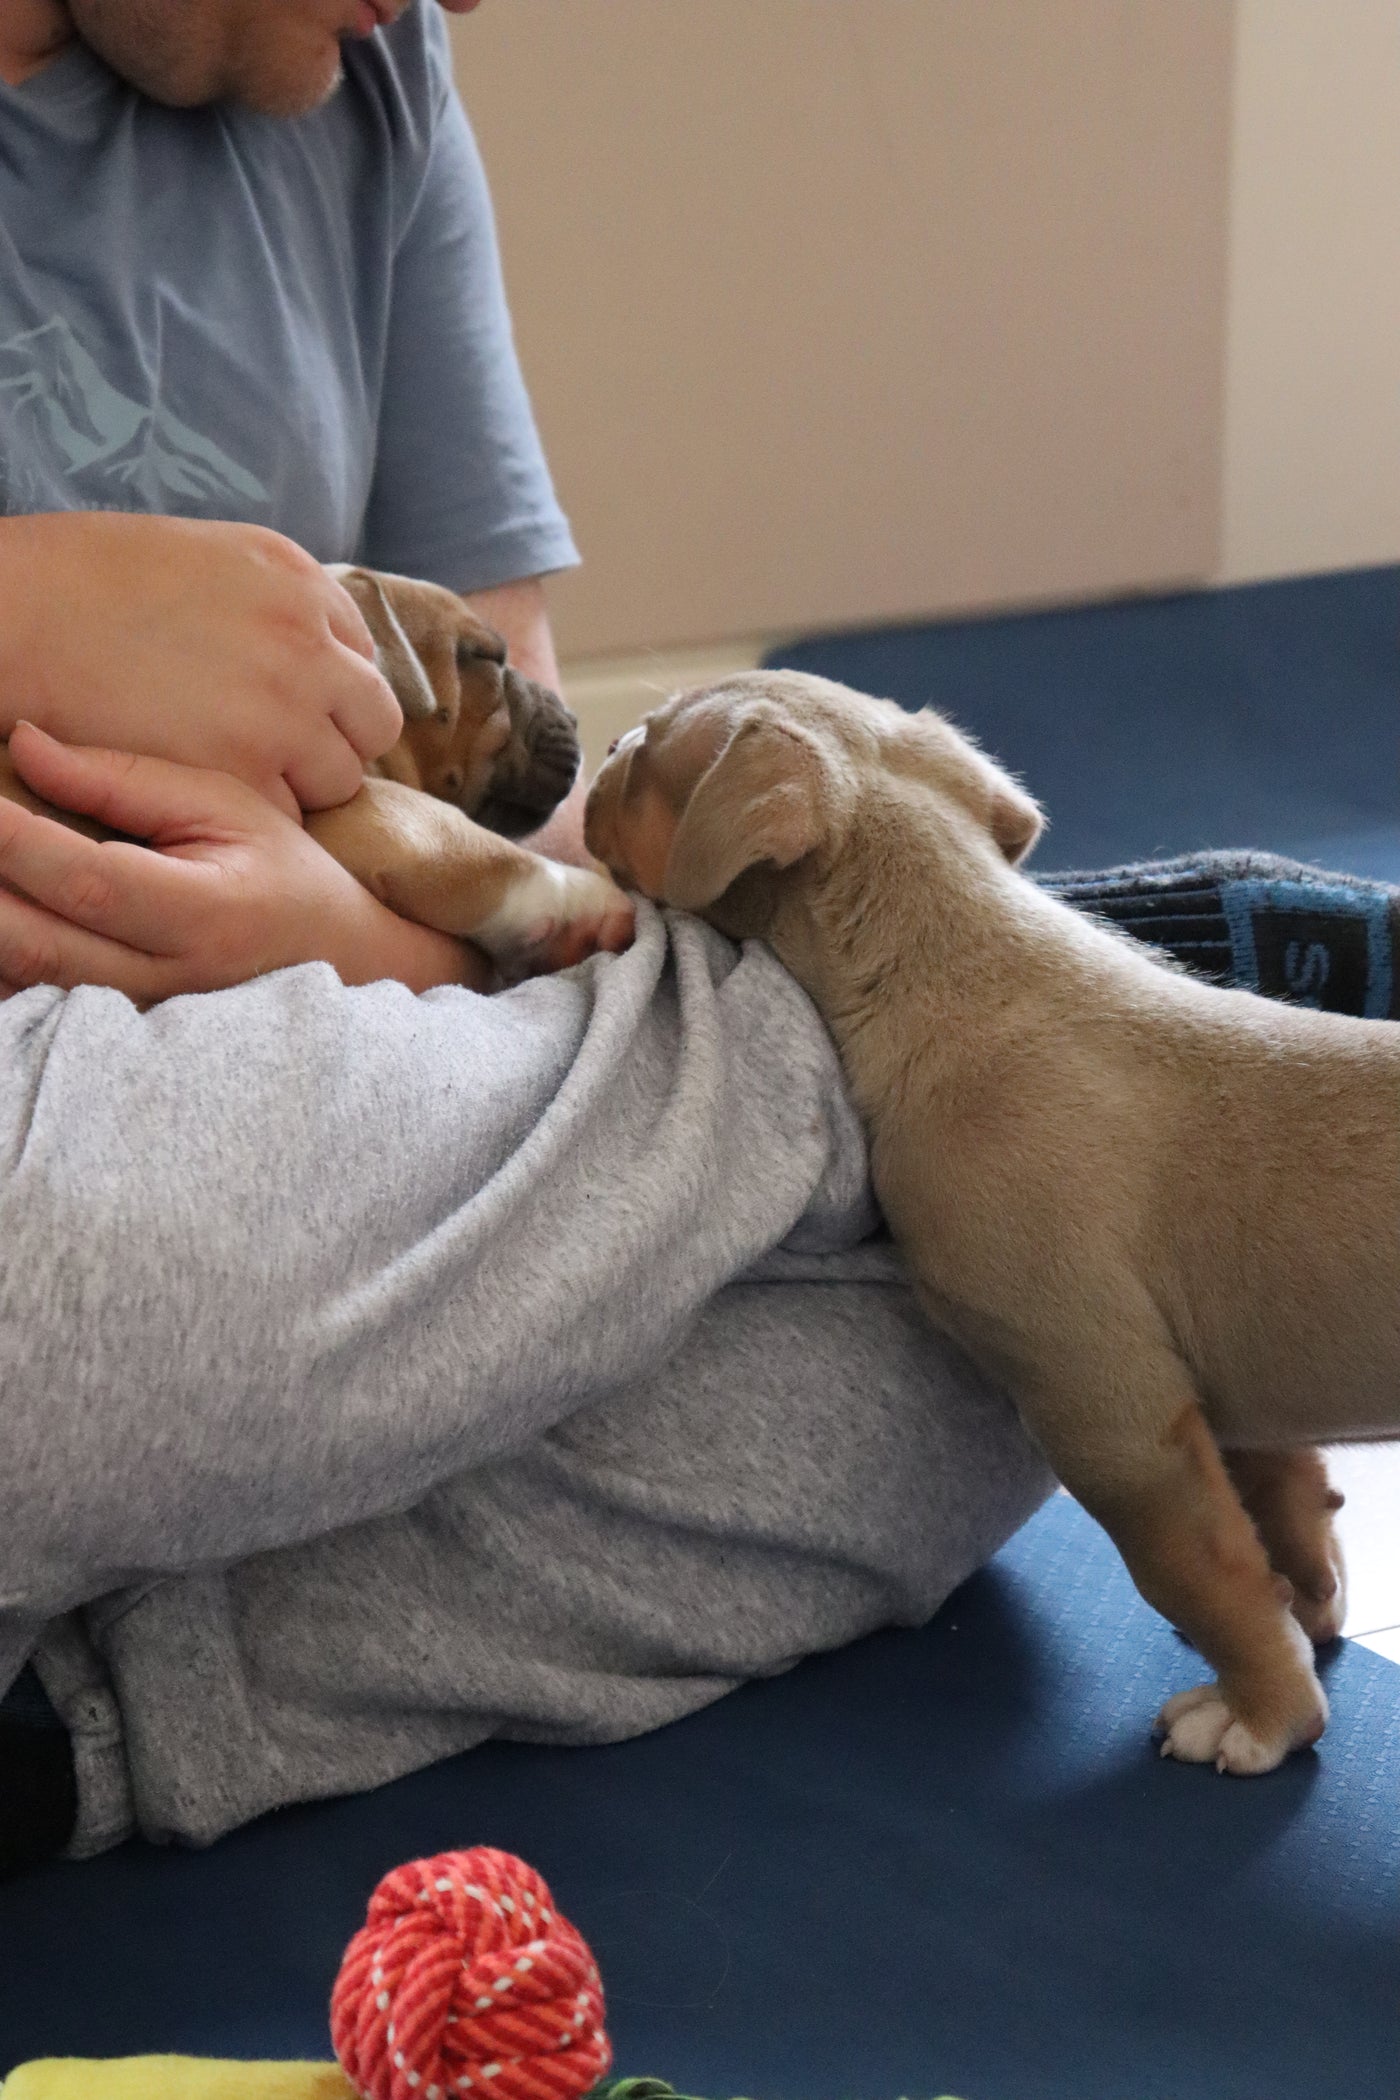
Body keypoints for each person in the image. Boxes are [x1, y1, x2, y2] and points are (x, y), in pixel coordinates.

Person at [0, 0, 1395, 1884]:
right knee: (993, 1275)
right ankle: (1012, 1016)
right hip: (109, 1145)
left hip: (389, 1112)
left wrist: (382, 951)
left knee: (981, 1371)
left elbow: (534, 795)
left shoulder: (361, 70)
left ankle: (85, 1702)